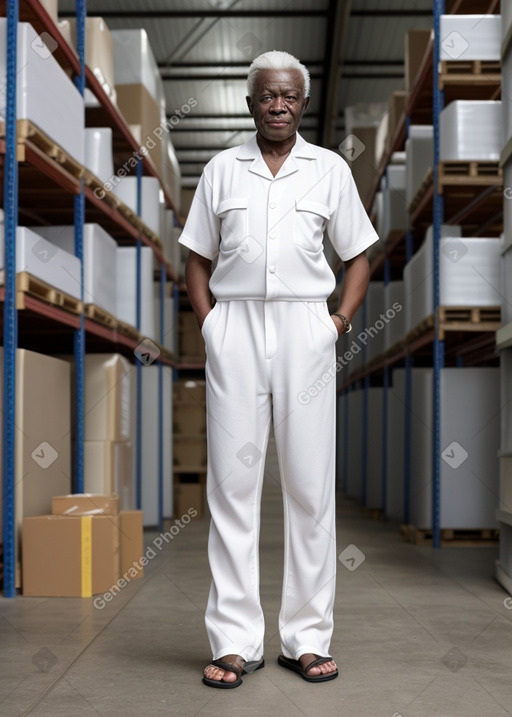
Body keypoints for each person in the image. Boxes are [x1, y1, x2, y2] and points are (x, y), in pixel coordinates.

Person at [179, 50, 379, 689]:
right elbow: (195, 259)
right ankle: (235, 641)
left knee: (309, 487)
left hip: (305, 328)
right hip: (235, 326)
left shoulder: (329, 170)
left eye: (290, 95)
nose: (279, 104)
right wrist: (211, 324)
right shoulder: (220, 170)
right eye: (267, 95)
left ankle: (305, 638)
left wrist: (336, 323)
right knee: (233, 489)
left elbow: (360, 256)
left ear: (304, 101)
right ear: (250, 102)